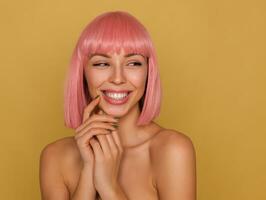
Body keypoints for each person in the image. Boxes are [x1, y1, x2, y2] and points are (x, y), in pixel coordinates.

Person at [39, 10, 196, 200]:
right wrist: (89, 172)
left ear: (149, 72)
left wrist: (109, 188)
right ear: (82, 73)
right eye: (102, 64)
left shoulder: (172, 151)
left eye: (133, 63)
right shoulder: (55, 157)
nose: (118, 78)